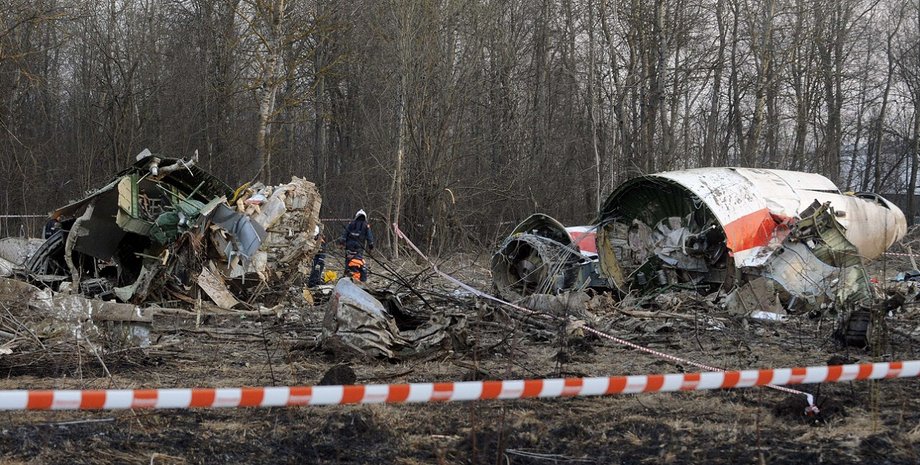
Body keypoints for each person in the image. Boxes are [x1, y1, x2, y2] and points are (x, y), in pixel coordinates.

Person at [339, 209, 374, 282]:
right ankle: (357, 278)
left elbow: (345, 233)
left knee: (348, 261)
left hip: (349, 246)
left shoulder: (351, 223)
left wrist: (342, 242)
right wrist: (370, 244)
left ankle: (348, 274)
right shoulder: (366, 225)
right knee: (358, 261)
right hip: (359, 247)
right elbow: (369, 236)